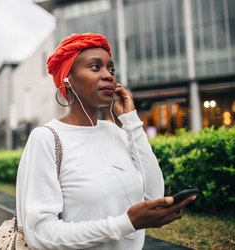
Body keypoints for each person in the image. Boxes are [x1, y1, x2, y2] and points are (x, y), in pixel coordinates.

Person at [16, 33, 195, 250]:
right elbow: (41, 234)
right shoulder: (46, 138)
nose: (109, 76)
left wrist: (131, 122)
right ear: (68, 79)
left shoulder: (115, 132)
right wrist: (125, 223)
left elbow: (153, 195)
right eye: (95, 67)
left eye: (111, 70)